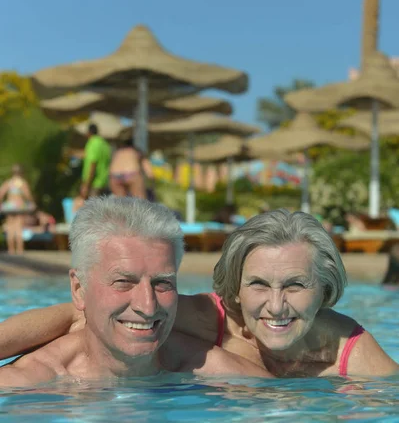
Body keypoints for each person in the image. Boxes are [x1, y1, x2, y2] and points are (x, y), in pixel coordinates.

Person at [0, 210, 397, 379]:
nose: (276, 306)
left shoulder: (352, 353)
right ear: (235, 289)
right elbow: (79, 314)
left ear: (324, 289)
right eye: (259, 284)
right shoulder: (209, 318)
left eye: (296, 285)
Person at [0, 196, 184, 386]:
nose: (148, 307)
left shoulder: (209, 369)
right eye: (123, 282)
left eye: (162, 282)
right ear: (79, 290)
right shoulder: (25, 387)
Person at [0, 164, 36, 254]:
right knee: (18, 227)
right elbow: (27, 195)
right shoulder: (22, 183)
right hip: (19, 206)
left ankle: (11, 250)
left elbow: (1, 193)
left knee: (10, 227)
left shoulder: (8, 182)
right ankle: (20, 249)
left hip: (9, 206)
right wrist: (32, 202)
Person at [80, 124, 112, 199]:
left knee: (92, 209)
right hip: (104, 181)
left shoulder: (93, 143)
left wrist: (86, 185)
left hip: (94, 183)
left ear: (88, 132)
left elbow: (93, 164)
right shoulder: (104, 143)